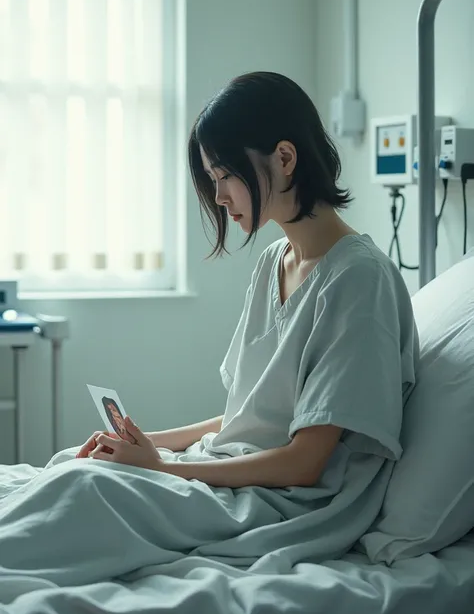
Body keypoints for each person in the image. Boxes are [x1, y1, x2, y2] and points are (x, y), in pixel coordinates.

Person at [77, 71, 419, 493]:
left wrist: (161, 469)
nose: (219, 197)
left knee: (86, 492)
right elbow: (249, 416)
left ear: (285, 159)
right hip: (229, 465)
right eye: (212, 180)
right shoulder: (272, 262)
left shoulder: (359, 279)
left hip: (280, 497)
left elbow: (304, 464)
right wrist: (145, 444)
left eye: (224, 176)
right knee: (72, 466)